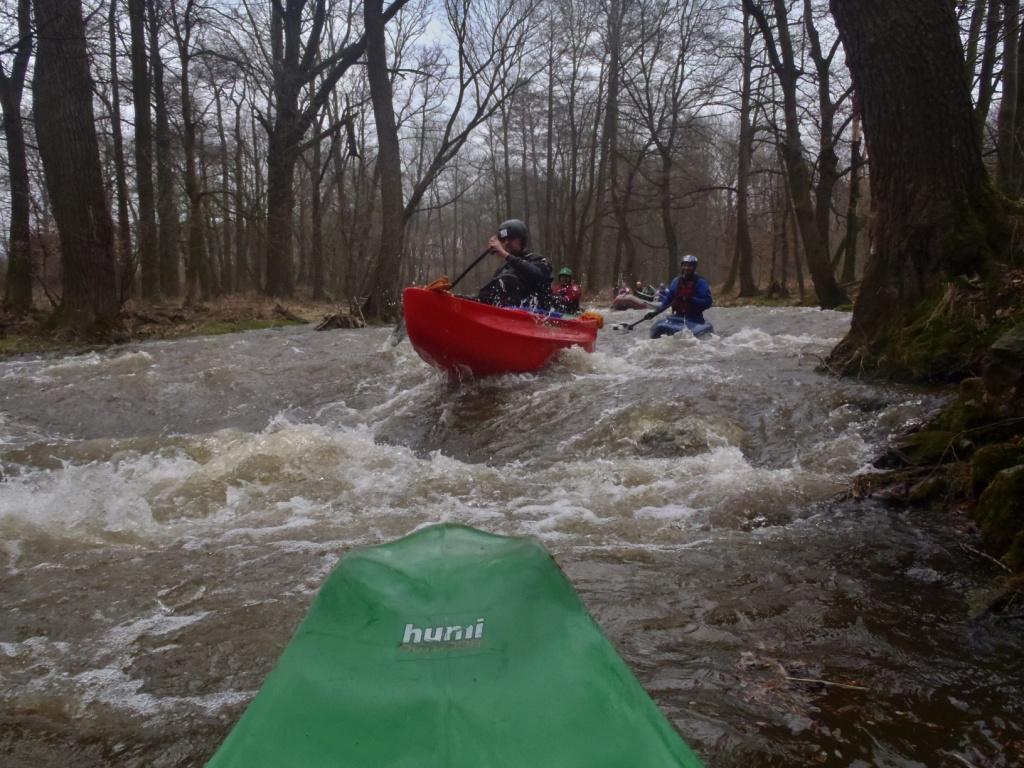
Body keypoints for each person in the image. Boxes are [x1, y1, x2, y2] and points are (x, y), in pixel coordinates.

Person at [477, 219, 553, 308]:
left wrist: (505, 254)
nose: (507, 242)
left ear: (522, 239)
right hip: (508, 317)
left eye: (511, 238)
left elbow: (537, 275)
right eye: (503, 240)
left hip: (538, 316)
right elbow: (485, 298)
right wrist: (458, 299)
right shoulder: (503, 270)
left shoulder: (539, 260)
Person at [644, 254, 713, 325]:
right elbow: (667, 302)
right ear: (682, 266)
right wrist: (654, 313)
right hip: (677, 317)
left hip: (695, 318)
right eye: (685, 265)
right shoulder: (675, 281)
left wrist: (690, 299)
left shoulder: (701, 282)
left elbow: (707, 303)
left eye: (690, 266)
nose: (686, 268)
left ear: (694, 267)